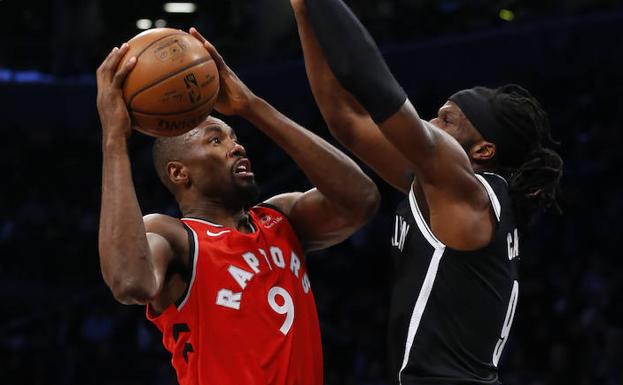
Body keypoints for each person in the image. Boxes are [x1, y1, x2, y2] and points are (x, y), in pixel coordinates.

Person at [289, 1, 563, 384]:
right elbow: (347, 120)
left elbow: (371, 82)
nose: (430, 124)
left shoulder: (466, 192)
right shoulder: (447, 194)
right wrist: (303, 12)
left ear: (483, 150)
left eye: (446, 119)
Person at [95, 27, 380, 385]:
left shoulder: (282, 219)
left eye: (235, 137)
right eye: (216, 140)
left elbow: (361, 199)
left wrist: (252, 106)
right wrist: (114, 140)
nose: (237, 147)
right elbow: (128, 282)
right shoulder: (175, 238)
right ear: (180, 173)